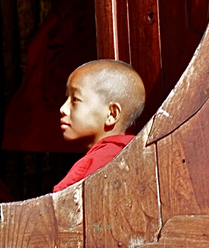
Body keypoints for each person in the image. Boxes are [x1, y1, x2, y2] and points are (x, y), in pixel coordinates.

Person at [53, 59, 146, 193]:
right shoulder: (141, 156)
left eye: (75, 100)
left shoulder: (93, 165)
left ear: (112, 114)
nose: (63, 108)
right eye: (67, 98)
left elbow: (59, 207)